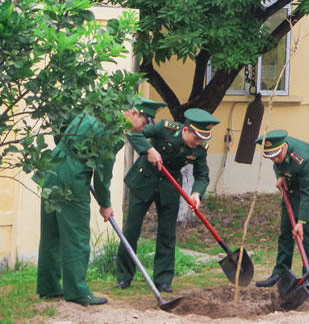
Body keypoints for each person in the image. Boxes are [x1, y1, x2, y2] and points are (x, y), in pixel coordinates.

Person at [35, 108, 134, 306]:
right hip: (73, 178)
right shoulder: (113, 132)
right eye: (142, 122)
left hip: (53, 166)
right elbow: (103, 172)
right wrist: (105, 204)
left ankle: (49, 286)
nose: (139, 129)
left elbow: (62, 126)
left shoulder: (92, 113)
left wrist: (69, 151)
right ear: (132, 114)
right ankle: (77, 291)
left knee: (51, 234)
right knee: (77, 237)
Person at [116, 107, 218, 292]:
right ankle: (124, 277)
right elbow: (133, 132)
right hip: (144, 180)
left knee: (167, 234)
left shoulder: (200, 149)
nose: (198, 143)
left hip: (169, 188)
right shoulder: (164, 128)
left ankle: (163, 280)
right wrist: (148, 149)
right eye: (196, 138)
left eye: (202, 139)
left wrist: (196, 193)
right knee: (131, 230)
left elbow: (202, 175)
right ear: (185, 130)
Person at [253, 129, 309, 288]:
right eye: (271, 157)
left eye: (278, 156)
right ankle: (280, 273)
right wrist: (279, 176)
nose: (275, 160)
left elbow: (308, 193)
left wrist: (301, 222)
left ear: (284, 147)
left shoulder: (302, 158)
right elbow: (278, 164)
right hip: (291, 187)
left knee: (307, 234)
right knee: (285, 232)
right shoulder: (276, 153)